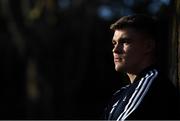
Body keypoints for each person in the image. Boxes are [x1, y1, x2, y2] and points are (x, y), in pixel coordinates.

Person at [104, 14, 180, 120]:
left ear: (148, 46)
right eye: (114, 43)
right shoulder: (119, 95)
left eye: (125, 42)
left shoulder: (154, 84)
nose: (115, 50)